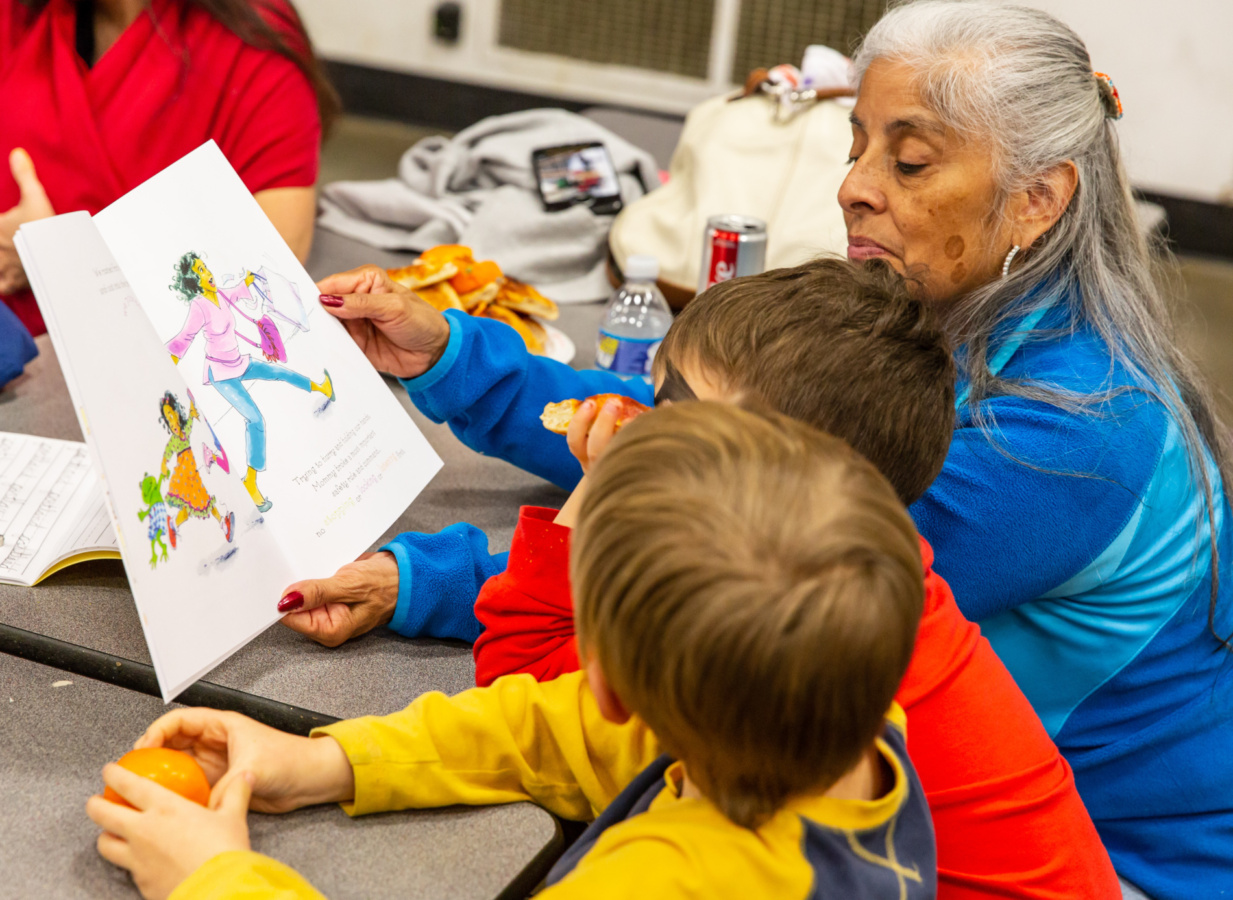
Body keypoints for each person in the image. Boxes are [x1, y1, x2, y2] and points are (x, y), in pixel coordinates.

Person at [297, 4, 1233, 893]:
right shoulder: (972, 319)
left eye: (908, 162)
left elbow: (732, 567)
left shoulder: (1073, 439)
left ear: (1037, 199)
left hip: (1115, 865)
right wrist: (454, 355)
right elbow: (712, 424)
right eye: (855, 145)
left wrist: (439, 579)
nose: (852, 186)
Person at [88, 403, 937, 900]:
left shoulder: (664, 879)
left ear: (607, 681)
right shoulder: (834, 726)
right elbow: (550, 727)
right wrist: (328, 762)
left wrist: (215, 878)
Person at [470, 259, 1120, 900]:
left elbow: (525, 681)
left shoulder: (778, 616)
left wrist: (601, 486)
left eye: (672, 415)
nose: (640, 429)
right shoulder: (862, 572)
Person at [0, 0, 338, 336]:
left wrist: (56, 262)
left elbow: (265, 289)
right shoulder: (18, 16)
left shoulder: (254, 46)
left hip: (131, 353)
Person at [167, 253, 335, 512]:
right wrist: (167, 364)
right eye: (200, 271)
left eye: (205, 267)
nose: (207, 273)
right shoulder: (199, 306)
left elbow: (237, 291)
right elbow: (184, 338)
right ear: (194, 281)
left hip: (238, 362)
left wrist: (247, 280)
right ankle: (251, 484)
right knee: (255, 420)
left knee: (280, 372)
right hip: (220, 373)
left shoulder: (221, 295)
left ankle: (321, 387)